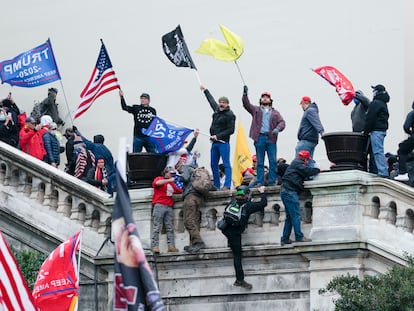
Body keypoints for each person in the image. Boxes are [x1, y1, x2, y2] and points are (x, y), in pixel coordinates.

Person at [220, 185, 267, 289]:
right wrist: (262, 192)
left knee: (233, 243)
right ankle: (239, 280)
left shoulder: (232, 202)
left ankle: (230, 244)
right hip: (235, 233)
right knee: (237, 256)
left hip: (226, 230)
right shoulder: (247, 205)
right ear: (246, 195)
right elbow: (263, 203)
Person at [242, 86, 286, 186]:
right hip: (259, 138)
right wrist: (245, 94)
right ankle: (260, 182)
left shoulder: (275, 113)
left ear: (270, 100)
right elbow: (246, 104)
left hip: (271, 139)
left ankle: (272, 182)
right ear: (261, 100)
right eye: (263, 97)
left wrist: (277, 129)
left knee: (272, 162)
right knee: (260, 162)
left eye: (267, 97)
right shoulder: (256, 110)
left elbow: (282, 123)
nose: (265, 98)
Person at [280, 150, 320, 246]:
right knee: (296, 215)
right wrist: (317, 169)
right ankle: (299, 237)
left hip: (286, 191)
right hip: (290, 191)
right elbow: (307, 172)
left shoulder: (295, 163)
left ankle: (285, 238)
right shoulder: (298, 164)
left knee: (290, 217)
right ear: (305, 159)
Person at [200, 85, 236, 190]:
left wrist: (218, 136)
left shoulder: (230, 115)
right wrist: (206, 90)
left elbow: (231, 130)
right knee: (213, 164)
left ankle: (227, 185)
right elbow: (211, 101)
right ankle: (216, 185)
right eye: (220, 102)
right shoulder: (216, 110)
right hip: (214, 143)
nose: (221, 104)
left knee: (226, 164)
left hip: (223, 142)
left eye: (223, 102)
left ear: (227, 104)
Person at [151, 166, 183, 254]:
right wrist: (169, 180)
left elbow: (179, 190)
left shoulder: (172, 184)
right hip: (159, 205)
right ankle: (155, 246)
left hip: (169, 206)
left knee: (170, 227)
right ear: (166, 173)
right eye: (170, 173)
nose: (171, 175)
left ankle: (171, 246)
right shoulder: (159, 178)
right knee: (157, 226)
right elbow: (157, 183)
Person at [178, 161, 206, 253]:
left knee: (188, 221)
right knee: (195, 221)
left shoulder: (186, 168)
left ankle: (198, 242)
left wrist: (179, 177)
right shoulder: (198, 173)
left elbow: (184, 178)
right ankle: (193, 244)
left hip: (190, 197)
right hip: (199, 198)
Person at [364, 84, 390, 177]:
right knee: (378, 151)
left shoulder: (375, 103)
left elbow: (370, 118)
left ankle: (382, 172)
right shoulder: (383, 103)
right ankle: (381, 171)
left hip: (376, 130)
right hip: (381, 130)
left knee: (377, 151)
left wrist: (366, 131)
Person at [394, 101, 414, 181]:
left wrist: (410, 133)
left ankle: (403, 173)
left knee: (402, 150)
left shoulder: (412, 114)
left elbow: (406, 126)